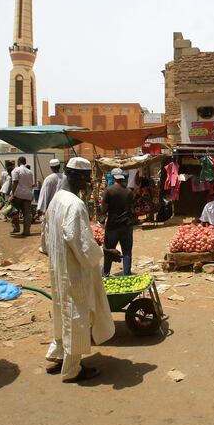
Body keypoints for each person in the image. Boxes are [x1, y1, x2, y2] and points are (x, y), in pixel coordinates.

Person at [44, 157, 115, 382]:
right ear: (73, 175)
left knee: (60, 309)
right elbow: (80, 242)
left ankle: (57, 355)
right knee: (75, 314)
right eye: (85, 178)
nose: (88, 183)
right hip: (73, 270)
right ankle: (72, 368)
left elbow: (46, 236)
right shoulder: (74, 203)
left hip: (58, 265)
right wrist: (103, 253)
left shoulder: (57, 199)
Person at [100, 168, 134, 277]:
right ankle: (127, 274)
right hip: (127, 225)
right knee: (127, 252)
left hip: (113, 226)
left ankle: (106, 273)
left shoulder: (108, 191)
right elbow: (131, 209)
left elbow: (103, 210)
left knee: (109, 250)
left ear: (113, 177)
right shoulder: (129, 191)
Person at [37, 159, 63, 254]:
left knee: (46, 229)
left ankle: (45, 248)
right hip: (62, 207)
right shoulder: (65, 178)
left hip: (50, 208)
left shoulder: (49, 178)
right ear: (59, 166)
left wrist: (40, 209)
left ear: (51, 167)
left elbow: (44, 195)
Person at [9, 156, 34, 236]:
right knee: (27, 214)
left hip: (18, 195)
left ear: (18, 162)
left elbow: (15, 182)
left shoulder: (15, 170)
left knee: (14, 212)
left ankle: (16, 228)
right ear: (25, 162)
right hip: (28, 195)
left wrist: (12, 194)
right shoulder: (30, 172)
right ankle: (27, 231)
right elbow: (31, 184)